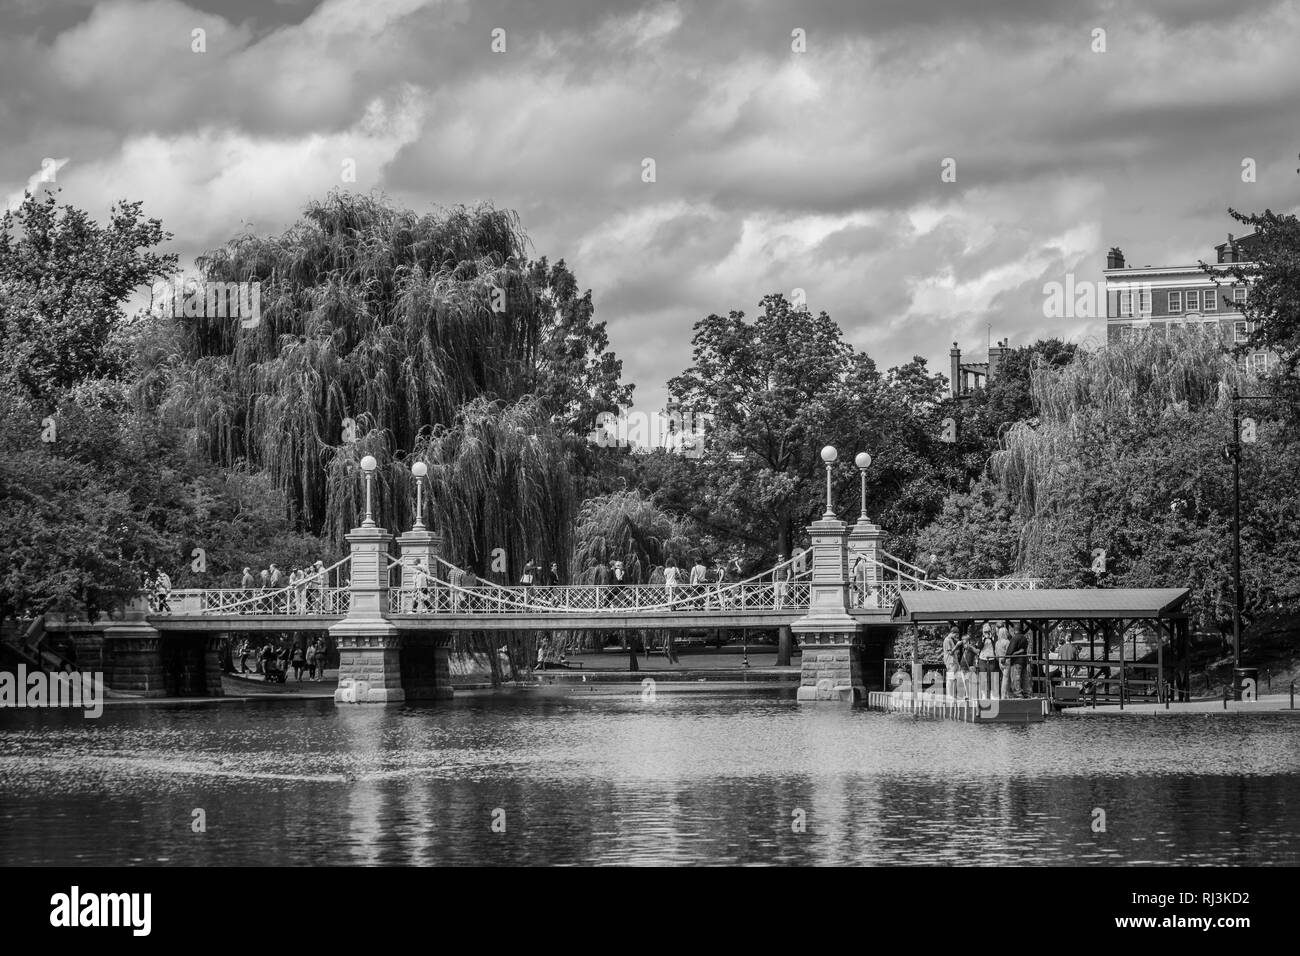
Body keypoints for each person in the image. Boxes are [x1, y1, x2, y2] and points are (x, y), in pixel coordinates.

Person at [977, 623, 1000, 700]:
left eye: (988, 631)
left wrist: (991, 639)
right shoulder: (981, 638)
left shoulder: (994, 638)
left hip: (992, 659)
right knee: (983, 677)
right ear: (983, 632)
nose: (987, 633)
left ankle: (992, 694)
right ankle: (983, 694)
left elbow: (996, 646)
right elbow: (979, 647)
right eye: (985, 631)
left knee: (992, 677)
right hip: (982, 659)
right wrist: (983, 639)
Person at [1007, 623, 1030, 698]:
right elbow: (1023, 649)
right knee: (1024, 677)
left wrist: (1008, 655)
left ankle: (1018, 693)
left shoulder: (1015, 638)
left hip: (1016, 661)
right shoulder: (1024, 638)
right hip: (1024, 660)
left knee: (1016, 677)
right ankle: (1026, 692)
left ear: (1015, 630)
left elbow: (1010, 651)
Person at [942, 627, 960, 698]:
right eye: (956, 635)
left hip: (954, 662)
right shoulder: (947, 640)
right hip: (950, 662)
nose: (956, 636)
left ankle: (953, 695)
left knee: (954, 679)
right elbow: (950, 652)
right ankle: (949, 695)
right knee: (950, 678)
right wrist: (957, 645)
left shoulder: (951, 640)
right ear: (952, 633)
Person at [995, 621, 1012, 698]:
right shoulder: (1007, 642)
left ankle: (1006, 695)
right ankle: (1003, 695)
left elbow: (996, 654)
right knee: (1006, 679)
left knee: (1005, 678)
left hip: (999, 661)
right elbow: (1009, 652)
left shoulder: (997, 643)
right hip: (1006, 661)